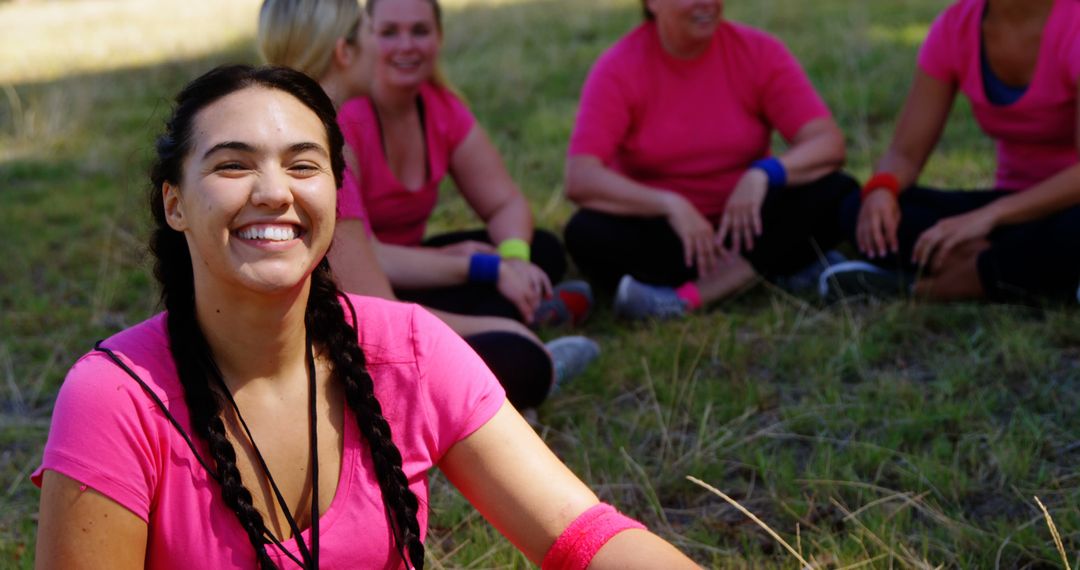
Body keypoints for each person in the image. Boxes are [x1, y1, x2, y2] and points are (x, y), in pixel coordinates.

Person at [32, 65, 700, 570]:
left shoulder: (405, 350)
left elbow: (582, 535)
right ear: (175, 203)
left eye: (304, 164)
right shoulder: (114, 399)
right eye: (233, 165)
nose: (274, 192)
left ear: (334, 193)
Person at [256, 0, 597, 409]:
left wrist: (501, 264)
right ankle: (527, 333)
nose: (393, 48)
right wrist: (501, 321)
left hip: (329, 317)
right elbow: (382, 320)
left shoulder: (297, 128)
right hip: (320, 345)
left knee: (535, 253)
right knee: (522, 358)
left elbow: (503, 201)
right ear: (346, 52)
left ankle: (520, 314)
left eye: (419, 31)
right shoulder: (322, 148)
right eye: (378, 33)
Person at [563, 0, 858, 320]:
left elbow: (828, 143)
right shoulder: (619, 67)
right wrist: (669, 204)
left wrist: (765, 172)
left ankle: (684, 299)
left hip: (751, 222)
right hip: (671, 237)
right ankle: (778, 268)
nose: (706, 3)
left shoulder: (759, 52)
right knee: (586, 232)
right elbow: (580, 177)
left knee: (836, 191)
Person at [336, 0, 592, 327]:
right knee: (489, 293)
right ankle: (523, 314)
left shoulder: (441, 108)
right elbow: (365, 258)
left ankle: (520, 305)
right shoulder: (348, 118)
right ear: (366, 40)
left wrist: (514, 261)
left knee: (541, 249)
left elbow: (505, 203)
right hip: (367, 277)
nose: (406, 45)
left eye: (420, 31)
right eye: (388, 33)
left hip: (419, 267)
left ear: (439, 38)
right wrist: (473, 264)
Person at [823, 0, 1080, 302]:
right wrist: (883, 188)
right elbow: (905, 154)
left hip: (1066, 207)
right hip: (1012, 210)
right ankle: (1017, 271)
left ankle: (923, 288)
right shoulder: (955, 27)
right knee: (859, 208)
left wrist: (991, 216)